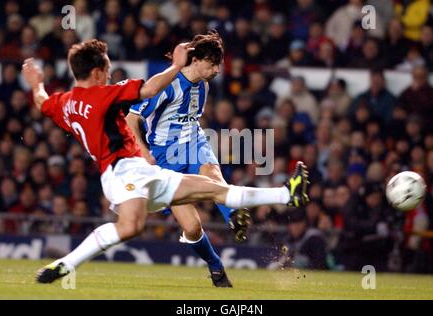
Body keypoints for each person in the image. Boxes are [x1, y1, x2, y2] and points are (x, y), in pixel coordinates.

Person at [22, 39, 310, 287]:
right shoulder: (103, 95)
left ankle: (286, 193)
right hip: (127, 169)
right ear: (97, 72)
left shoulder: (65, 102)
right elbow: (146, 92)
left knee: (214, 189)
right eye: (107, 69)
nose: (110, 74)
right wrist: (175, 67)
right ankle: (66, 264)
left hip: (145, 169)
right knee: (132, 227)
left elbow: (41, 101)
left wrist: (36, 83)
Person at [125, 33, 251, 283]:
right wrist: (143, 151)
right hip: (164, 156)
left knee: (213, 176)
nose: (216, 70)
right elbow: (131, 118)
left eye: (218, 65)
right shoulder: (166, 84)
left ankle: (233, 217)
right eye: (213, 64)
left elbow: (189, 118)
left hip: (193, 142)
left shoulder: (203, 85)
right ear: (197, 60)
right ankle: (215, 265)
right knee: (192, 227)